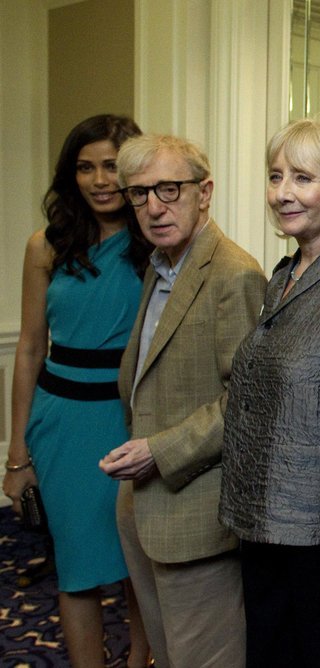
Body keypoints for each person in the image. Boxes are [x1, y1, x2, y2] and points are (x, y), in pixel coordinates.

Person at [218, 116, 320, 667]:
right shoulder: (283, 275)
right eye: (275, 176)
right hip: (261, 525)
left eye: (303, 178)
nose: (283, 193)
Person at [98, 133, 266, 668]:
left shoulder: (234, 274)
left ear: (204, 192)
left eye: (169, 189)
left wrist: (158, 451)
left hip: (197, 512)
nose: (154, 207)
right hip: (144, 507)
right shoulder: (160, 264)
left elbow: (245, 402)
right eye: (139, 193)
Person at [2, 114, 152, 668]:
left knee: (140, 562)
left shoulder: (155, 240)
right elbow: (28, 349)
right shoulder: (45, 246)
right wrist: (17, 454)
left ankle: (141, 661)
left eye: (111, 166)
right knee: (77, 566)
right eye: (86, 168)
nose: (100, 180)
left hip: (131, 418)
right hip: (61, 421)